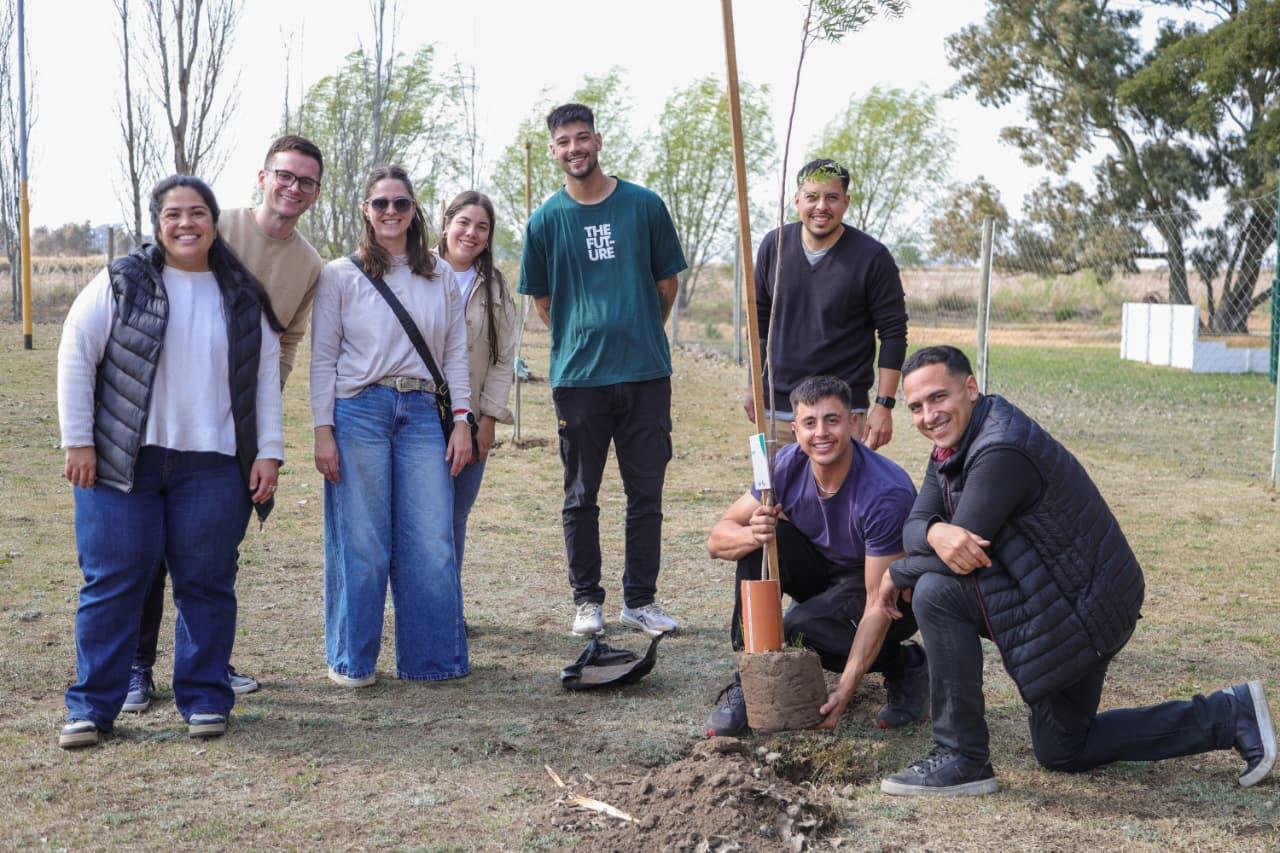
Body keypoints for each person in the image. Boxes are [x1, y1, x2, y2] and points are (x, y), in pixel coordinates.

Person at [877, 345, 1277, 795]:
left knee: (934, 591)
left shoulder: (1000, 449)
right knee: (1063, 748)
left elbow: (963, 552)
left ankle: (962, 756)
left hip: (1085, 607)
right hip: (1052, 594)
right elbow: (915, 526)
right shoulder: (953, 446)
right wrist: (935, 533)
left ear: (970, 388)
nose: (928, 415)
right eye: (916, 407)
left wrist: (898, 574)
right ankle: (1229, 715)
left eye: (938, 398)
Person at [56, 175, 284, 748]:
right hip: (120, 462)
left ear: (214, 222)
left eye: (198, 212)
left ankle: (206, 698)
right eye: (174, 214)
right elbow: (76, 357)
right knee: (113, 582)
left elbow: (264, 384)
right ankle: (91, 708)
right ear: (156, 224)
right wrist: (77, 441)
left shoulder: (241, 294)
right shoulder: (121, 282)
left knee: (206, 583)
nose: (187, 224)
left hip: (213, 465)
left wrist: (269, 455)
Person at [123, 135, 325, 713]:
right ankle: (138, 667)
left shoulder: (308, 263)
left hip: (231, 427)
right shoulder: (217, 225)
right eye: (284, 176)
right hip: (165, 415)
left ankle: (205, 664)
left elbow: (285, 342)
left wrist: (260, 421)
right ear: (262, 177)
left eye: (305, 181)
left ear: (314, 193)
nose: (293, 188)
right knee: (147, 552)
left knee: (210, 552)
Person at [518, 102, 688, 638]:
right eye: (565, 141)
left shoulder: (643, 206)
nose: (575, 148)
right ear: (554, 151)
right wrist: (587, 333)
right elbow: (544, 301)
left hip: (644, 375)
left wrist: (635, 328)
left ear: (599, 141)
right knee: (580, 493)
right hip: (578, 381)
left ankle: (640, 601)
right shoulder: (545, 221)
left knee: (646, 493)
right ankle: (587, 601)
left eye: (583, 137)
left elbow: (667, 285)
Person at [310, 164, 472, 687]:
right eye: (381, 203)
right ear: (366, 209)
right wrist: (322, 430)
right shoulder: (341, 274)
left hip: (424, 412)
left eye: (401, 203)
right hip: (360, 410)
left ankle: (431, 661)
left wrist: (463, 421)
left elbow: (456, 354)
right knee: (362, 539)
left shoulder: (439, 274)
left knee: (431, 538)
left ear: (415, 210)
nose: (391, 213)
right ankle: (352, 661)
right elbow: (323, 359)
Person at [705, 376, 927, 737]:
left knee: (798, 630)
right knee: (760, 542)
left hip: (886, 597)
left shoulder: (885, 492)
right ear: (796, 428)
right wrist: (753, 533)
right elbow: (717, 540)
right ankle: (749, 679)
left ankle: (905, 663)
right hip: (825, 578)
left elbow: (878, 603)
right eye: (810, 423)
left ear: (853, 423)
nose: (820, 433)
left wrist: (846, 687)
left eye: (832, 420)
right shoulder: (784, 466)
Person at [748, 159, 908, 451]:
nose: (821, 206)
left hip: (841, 413)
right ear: (797, 200)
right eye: (812, 196)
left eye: (831, 197)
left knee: (836, 494)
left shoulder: (873, 257)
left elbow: (893, 334)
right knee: (768, 491)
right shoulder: (774, 245)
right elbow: (759, 318)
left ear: (846, 202)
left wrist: (884, 405)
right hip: (775, 409)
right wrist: (752, 386)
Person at [437, 191, 517, 592]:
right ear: (446, 223)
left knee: (454, 516)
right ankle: (413, 607)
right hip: (420, 413)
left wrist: (488, 419)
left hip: (471, 419)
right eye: (463, 222)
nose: (471, 233)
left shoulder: (496, 288)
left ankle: (448, 609)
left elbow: (504, 359)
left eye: (481, 227)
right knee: (419, 518)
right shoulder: (419, 272)